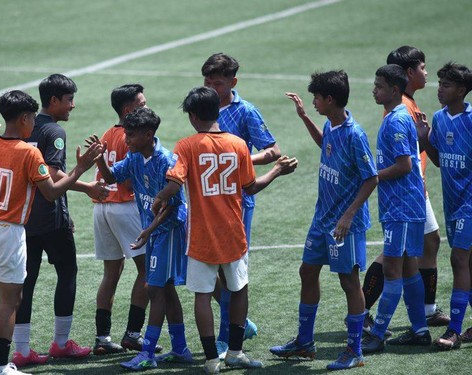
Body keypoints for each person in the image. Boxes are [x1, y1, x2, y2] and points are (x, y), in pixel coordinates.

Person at [152, 87, 297, 374]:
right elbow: (251, 187)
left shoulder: (186, 146)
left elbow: (175, 182)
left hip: (201, 235)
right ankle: (235, 352)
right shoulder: (238, 144)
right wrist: (277, 171)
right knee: (239, 289)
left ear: (193, 116)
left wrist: (160, 196)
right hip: (233, 231)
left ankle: (209, 359)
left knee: (202, 295)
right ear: (218, 111)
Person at [0, 90, 103, 375]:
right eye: (32, 117)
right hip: (7, 230)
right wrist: (80, 169)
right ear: (25, 117)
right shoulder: (28, 151)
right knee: (11, 299)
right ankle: (0, 366)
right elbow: (50, 193)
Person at [269, 71, 378, 370]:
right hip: (322, 219)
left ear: (330, 99)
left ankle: (355, 350)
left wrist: (348, 214)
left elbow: (371, 178)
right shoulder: (332, 124)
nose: (314, 101)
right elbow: (326, 145)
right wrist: (305, 117)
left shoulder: (355, 134)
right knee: (307, 271)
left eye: (316, 98)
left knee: (348, 281)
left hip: (345, 223)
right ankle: (305, 342)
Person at [10, 74, 107, 366]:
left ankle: (22, 349)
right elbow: (52, 175)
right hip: (50, 218)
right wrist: (88, 185)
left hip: (23, 217)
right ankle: (61, 343)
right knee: (68, 273)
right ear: (54, 101)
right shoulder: (54, 132)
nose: (73, 106)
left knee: (26, 281)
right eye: (69, 100)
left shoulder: (24, 126)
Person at [93, 107, 192, 371]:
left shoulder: (166, 161)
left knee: (155, 289)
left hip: (168, 231)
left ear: (149, 134)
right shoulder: (136, 156)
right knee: (166, 289)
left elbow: (173, 205)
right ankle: (181, 348)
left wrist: (148, 232)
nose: (126, 140)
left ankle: (147, 351)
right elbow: (111, 177)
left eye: (131, 135)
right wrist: (99, 159)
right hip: (153, 232)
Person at [361, 46, 448, 334]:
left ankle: (424, 316)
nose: (427, 73)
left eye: (378, 86)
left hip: (409, 192)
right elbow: (406, 160)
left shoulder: (404, 108)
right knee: (395, 257)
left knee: (425, 245)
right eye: (423, 67)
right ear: (408, 73)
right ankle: (363, 312)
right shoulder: (403, 111)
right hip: (407, 194)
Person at [201, 53, 281, 356]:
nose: (210, 87)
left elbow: (273, 150)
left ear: (233, 82)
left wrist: (239, 161)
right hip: (208, 202)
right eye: (207, 82)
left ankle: (225, 338)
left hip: (238, 202)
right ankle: (241, 321)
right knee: (210, 270)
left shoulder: (246, 111)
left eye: (217, 83)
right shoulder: (202, 107)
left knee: (229, 270)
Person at [360, 64, 430, 354]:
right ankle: (421, 330)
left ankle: (377, 333)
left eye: (379, 85)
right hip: (401, 204)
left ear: (394, 90)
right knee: (409, 266)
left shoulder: (397, 120)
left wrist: (373, 175)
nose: (374, 89)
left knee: (392, 269)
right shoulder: (396, 116)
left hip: (402, 206)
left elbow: (405, 165)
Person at [92, 84, 161, 355]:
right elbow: (133, 180)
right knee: (146, 270)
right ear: (128, 109)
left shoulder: (109, 133)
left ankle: (102, 338)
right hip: (125, 206)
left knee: (111, 273)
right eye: (142, 104)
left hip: (101, 209)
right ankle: (133, 333)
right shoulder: (133, 137)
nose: (147, 106)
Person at [418, 62, 472, 349]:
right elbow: (438, 160)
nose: (439, 89)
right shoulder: (439, 119)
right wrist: (424, 137)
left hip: (470, 202)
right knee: (469, 262)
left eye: (446, 85)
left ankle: (453, 330)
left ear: (461, 90)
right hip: (453, 202)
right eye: (438, 84)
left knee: (458, 260)